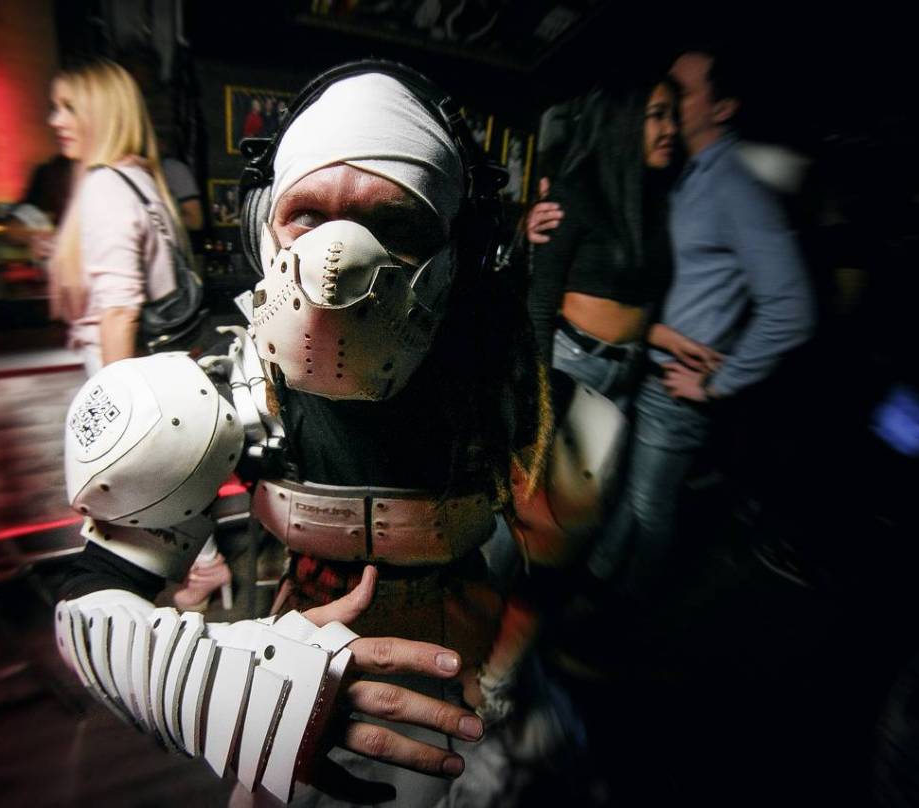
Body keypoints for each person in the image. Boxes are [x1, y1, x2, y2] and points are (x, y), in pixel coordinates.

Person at [50, 62, 603, 805]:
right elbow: (90, 602)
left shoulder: (510, 395)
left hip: (456, 672)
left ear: (460, 252)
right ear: (262, 225)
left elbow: (548, 561)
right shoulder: (219, 389)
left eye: (395, 224)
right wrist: (212, 684)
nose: (338, 265)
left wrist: (497, 683)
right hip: (296, 662)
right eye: (308, 216)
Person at [591, 48, 815, 594]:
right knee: (623, 502)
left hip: (676, 390)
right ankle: (592, 599)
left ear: (723, 107)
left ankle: (622, 620)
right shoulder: (687, 176)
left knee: (647, 510)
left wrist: (718, 382)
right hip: (646, 367)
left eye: (683, 90)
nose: (668, 97)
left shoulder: (736, 186)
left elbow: (793, 308)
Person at [527, 74, 695, 403]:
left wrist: (670, 339)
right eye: (658, 115)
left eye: (673, 116)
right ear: (624, 120)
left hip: (629, 369)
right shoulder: (575, 194)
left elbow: (637, 301)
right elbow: (540, 306)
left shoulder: (655, 200)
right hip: (572, 364)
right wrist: (538, 395)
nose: (672, 129)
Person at [46, 59, 188, 377]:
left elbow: (120, 311)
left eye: (70, 108)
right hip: (154, 368)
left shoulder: (106, 184)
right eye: (56, 108)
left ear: (102, 114)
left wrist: (115, 398)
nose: (55, 120)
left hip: (123, 372)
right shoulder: (138, 178)